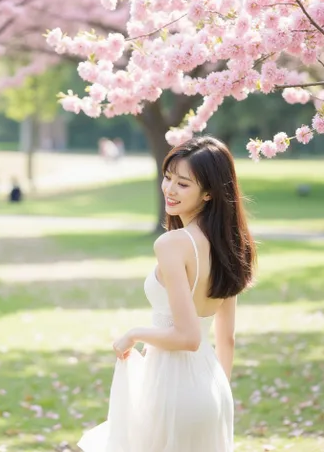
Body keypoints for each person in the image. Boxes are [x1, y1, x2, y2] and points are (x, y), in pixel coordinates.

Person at [78, 136, 256, 452]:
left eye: (183, 184)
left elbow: (188, 336)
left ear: (209, 192)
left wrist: (133, 334)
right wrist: (217, 394)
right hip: (212, 390)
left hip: (171, 389)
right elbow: (226, 339)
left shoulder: (173, 244)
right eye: (168, 177)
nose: (170, 189)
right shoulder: (231, 246)